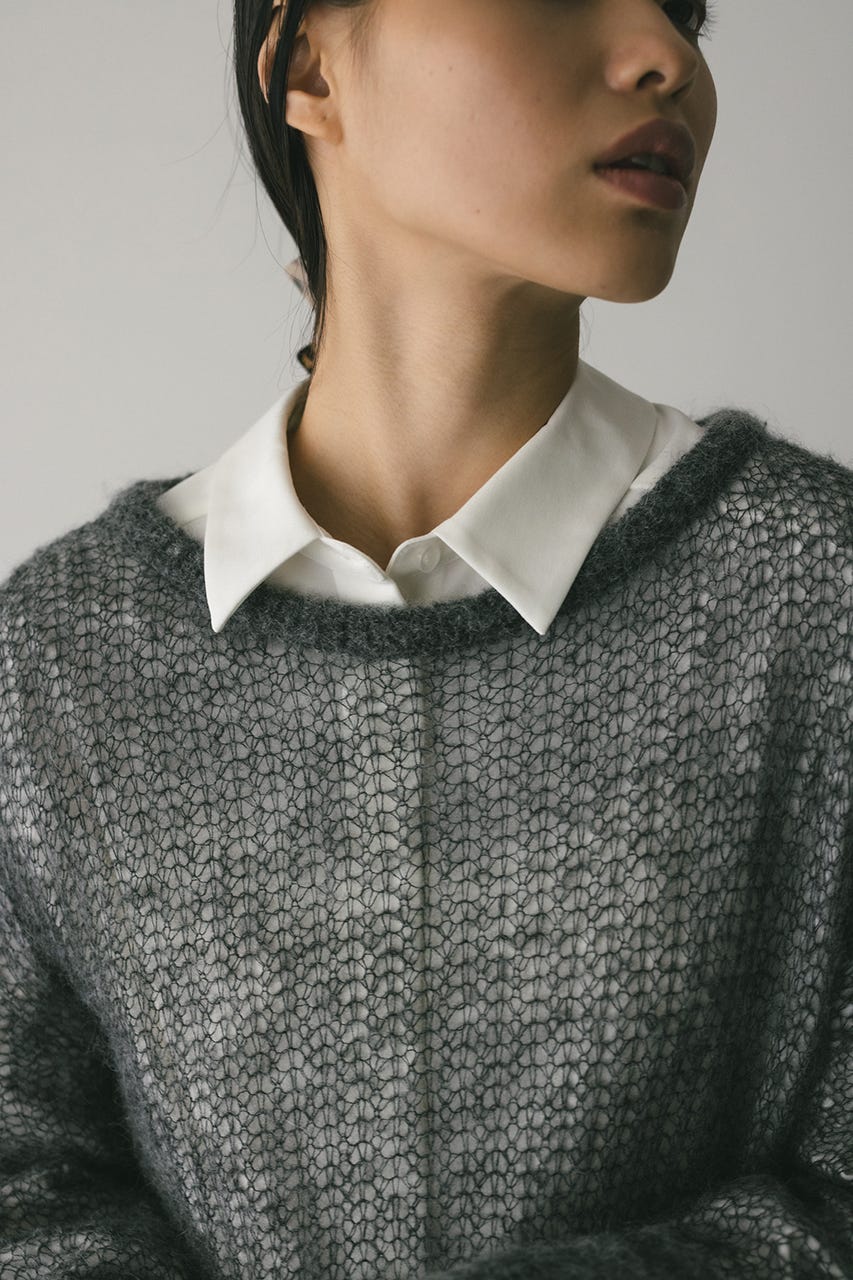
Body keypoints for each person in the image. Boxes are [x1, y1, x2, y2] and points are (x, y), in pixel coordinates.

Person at [1, 2, 851, 1278]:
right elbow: (26, 1185)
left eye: (684, 9)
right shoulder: (61, 662)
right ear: (306, 63)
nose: (667, 57)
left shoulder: (821, 594)